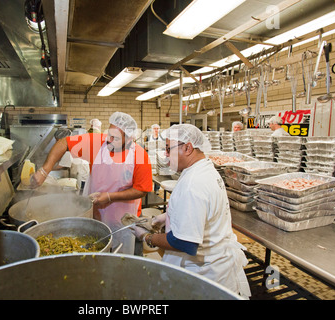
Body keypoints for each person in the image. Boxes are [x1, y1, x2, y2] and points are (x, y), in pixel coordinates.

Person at [131, 124, 251, 299]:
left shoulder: (193, 184)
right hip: (217, 264)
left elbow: (184, 242)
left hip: (206, 275)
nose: (165, 154)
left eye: (167, 149)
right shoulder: (205, 169)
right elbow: (203, 210)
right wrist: (166, 217)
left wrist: (147, 237)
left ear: (187, 147)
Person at [29, 112, 153, 254]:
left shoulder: (139, 155)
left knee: (120, 259)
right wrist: (44, 171)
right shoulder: (97, 143)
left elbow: (141, 189)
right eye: (109, 134)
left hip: (123, 220)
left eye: (116, 138)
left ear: (129, 138)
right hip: (95, 214)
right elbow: (64, 143)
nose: (110, 139)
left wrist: (109, 196)